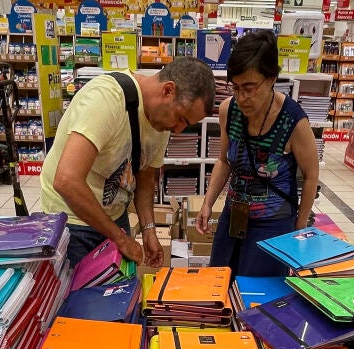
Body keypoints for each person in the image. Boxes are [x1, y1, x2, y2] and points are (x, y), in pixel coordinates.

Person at [44, 56, 216, 267]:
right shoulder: (106, 100)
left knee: (120, 285)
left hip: (114, 216)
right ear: (168, 90)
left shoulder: (161, 121)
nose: (179, 130)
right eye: (181, 118)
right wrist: (120, 239)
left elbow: (145, 178)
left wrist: (149, 229)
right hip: (72, 221)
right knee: (81, 288)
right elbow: (66, 181)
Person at [197, 30, 320, 277]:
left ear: (271, 79)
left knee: (259, 292)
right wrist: (207, 203)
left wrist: (299, 227)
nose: (242, 97)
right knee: (219, 281)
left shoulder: (293, 121)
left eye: (249, 88)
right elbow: (224, 161)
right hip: (234, 216)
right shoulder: (229, 110)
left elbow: (310, 176)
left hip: (273, 224)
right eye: (236, 87)